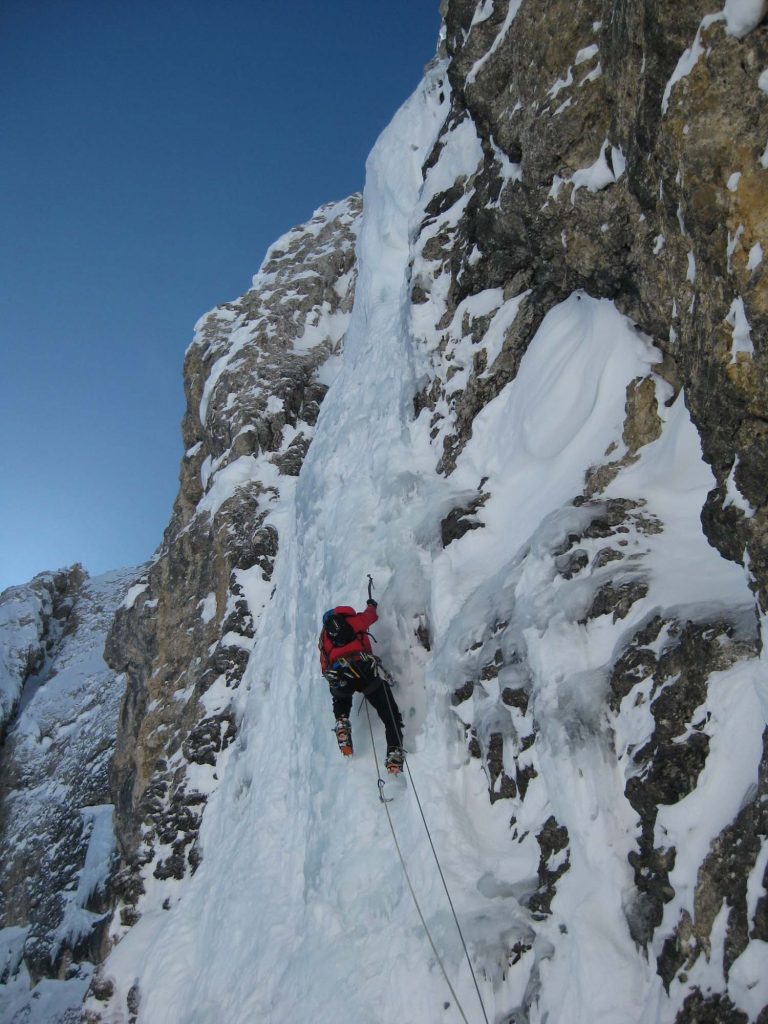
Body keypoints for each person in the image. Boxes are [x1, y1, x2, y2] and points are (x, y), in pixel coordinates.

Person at [318, 597, 405, 774]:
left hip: (340, 674)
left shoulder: (324, 638)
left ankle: (342, 721)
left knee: (340, 698)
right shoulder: (353, 620)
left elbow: (324, 666)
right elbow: (371, 617)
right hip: (363, 669)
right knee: (389, 712)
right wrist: (371, 605)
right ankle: (394, 751)